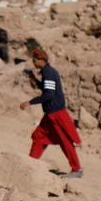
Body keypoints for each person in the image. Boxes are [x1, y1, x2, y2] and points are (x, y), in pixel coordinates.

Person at [20, 48, 82, 177]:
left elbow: (48, 95)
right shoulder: (46, 72)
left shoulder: (48, 72)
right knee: (38, 136)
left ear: (41, 60)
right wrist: (33, 78)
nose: (34, 62)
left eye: (35, 60)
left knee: (65, 141)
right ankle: (31, 164)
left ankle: (77, 170)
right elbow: (46, 89)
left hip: (56, 114)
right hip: (50, 115)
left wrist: (30, 102)